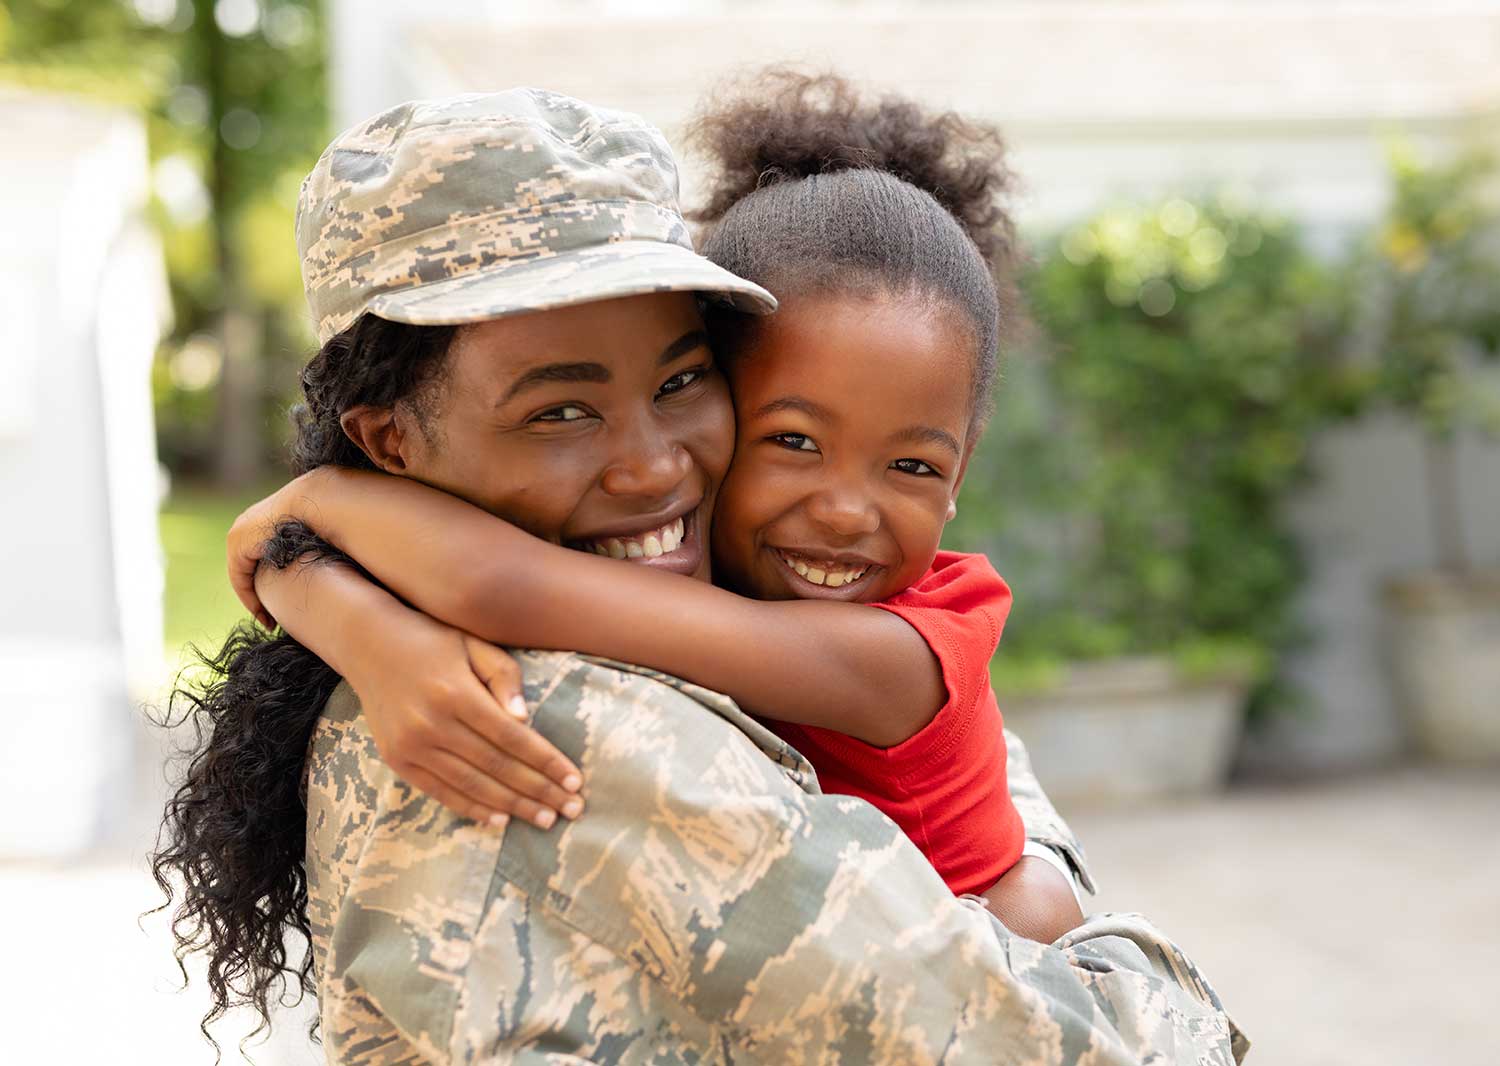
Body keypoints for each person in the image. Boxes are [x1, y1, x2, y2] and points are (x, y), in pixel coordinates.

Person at [153, 87, 1247, 1064]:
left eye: (682, 380)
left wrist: (318, 546)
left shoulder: (726, 618)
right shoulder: (560, 723)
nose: (655, 465)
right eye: (561, 411)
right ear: (388, 440)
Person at [226, 71, 1079, 939]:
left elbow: (499, 584)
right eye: (792, 442)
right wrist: (346, 611)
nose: (844, 512)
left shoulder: (889, 650)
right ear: (386, 441)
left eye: (679, 382)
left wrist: (320, 511)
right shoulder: (656, 628)